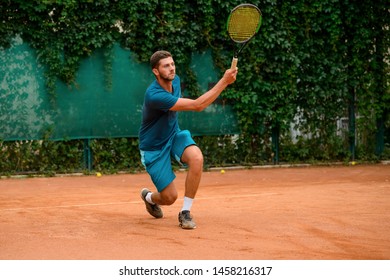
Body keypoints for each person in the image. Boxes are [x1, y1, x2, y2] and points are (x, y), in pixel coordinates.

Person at [138, 50, 237, 229]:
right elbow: (197, 105)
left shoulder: (175, 81)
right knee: (169, 197)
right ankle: (149, 198)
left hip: (173, 134)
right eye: (166, 66)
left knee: (197, 158)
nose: (171, 68)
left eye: (172, 64)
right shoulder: (154, 95)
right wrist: (224, 82)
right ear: (155, 71)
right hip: (153, 147)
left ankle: (185, 212)